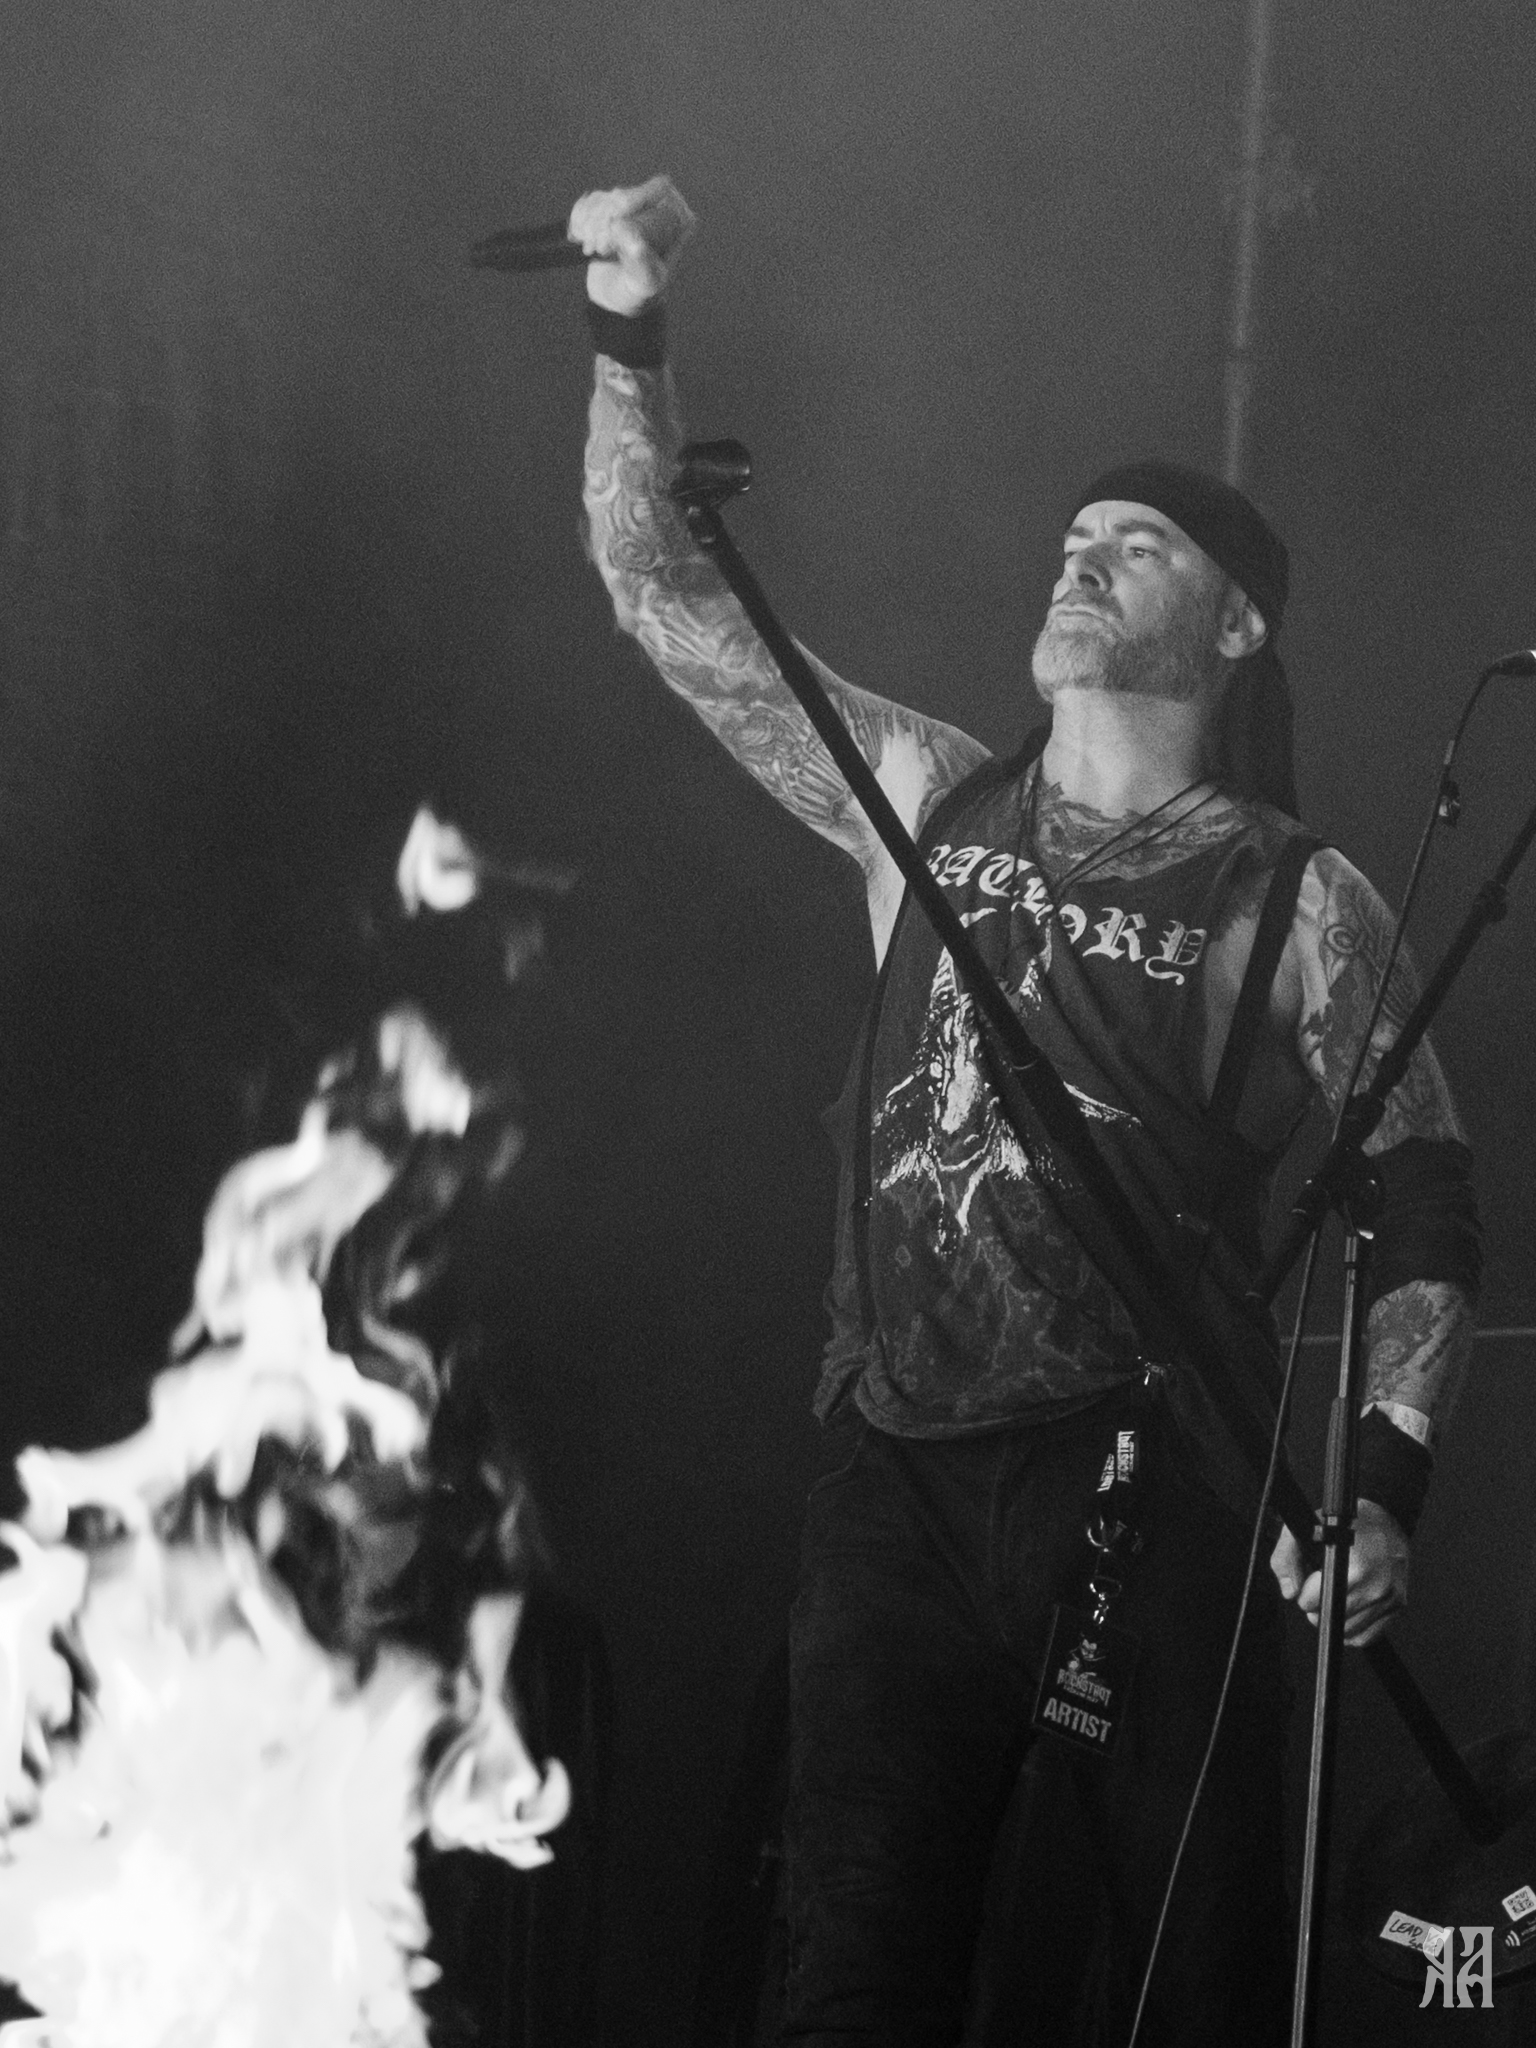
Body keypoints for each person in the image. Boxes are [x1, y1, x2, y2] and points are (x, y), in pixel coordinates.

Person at [569, 176, 1482, 2045]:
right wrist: (628, 331)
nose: (1082, 561)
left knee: (1165, 1980)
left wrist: (1383, 1487)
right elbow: (665, 596)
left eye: (1136, 546)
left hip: (1150, 1475)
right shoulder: (923, 795)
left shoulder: (1297, 899)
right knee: (852, 1975)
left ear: (1238, 625)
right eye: (1074, 538)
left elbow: (1425, 1196)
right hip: (895, 1476)